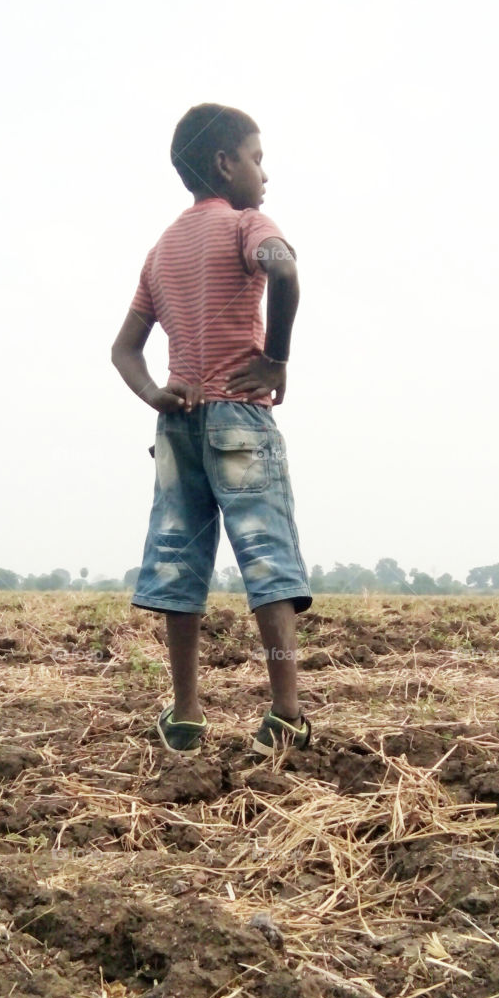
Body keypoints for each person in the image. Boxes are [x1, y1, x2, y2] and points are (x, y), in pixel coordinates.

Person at [111, 103, 312, 759]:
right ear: (225, 164)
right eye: (257, 158)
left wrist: (155, 394)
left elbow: (124, 349)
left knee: (179, 566)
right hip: (239, 420)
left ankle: (186, 714)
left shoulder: (162, 249)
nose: (264, 173)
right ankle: (285, 712)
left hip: (178, 427)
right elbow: (284, 269)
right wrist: (275, 358)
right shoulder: (248, 224)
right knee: (267, 561)